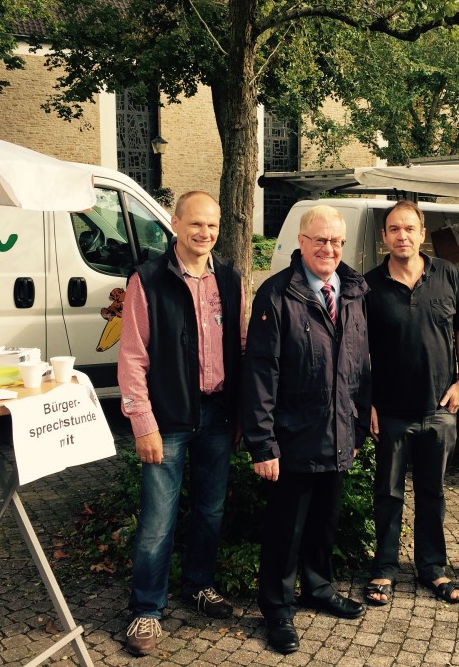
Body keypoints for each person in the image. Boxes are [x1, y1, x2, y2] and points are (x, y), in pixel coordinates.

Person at [117, 191, 244, 657]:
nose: (204, 233)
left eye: (211, 225)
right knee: (157, 521)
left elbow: (241, 346)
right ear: (175, 223)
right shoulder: (148, 279)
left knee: (210, 511)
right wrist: (143, 422)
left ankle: (198, 585)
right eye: (195, 224)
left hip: (217, 415)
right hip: (167, 420)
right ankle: (146, 611)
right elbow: (131, 357)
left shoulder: (229, 279)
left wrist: (240, 413)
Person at [243, 205, 372, 654]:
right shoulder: (277, 295)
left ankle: (318, 587)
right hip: (292, 436)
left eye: (336, 241)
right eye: (320, 240)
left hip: (338, 431)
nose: (329, 249)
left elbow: (359, 364)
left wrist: (357, 425)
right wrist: (263, 444)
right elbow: (261, 373)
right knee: (286, 528)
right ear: (301, 242)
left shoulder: (353, 291)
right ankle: (277, 609)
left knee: (324, 520)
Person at [362, 201, 459, 607]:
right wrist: (369, 403)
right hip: (392, 411)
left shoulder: (447, 274)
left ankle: (433, 567)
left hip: (440, 410)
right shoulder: (369, 285)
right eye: (394, 229)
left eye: (409, 228)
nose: (402, 236)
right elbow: (359, 352)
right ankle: (385, 568)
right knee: (389, 494)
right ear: (384, 237)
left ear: (422, 231)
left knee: (433, 493)